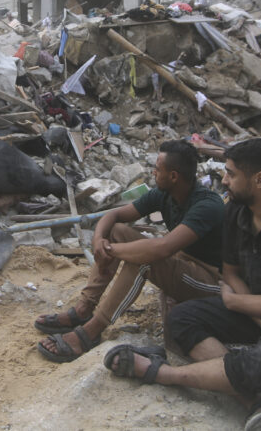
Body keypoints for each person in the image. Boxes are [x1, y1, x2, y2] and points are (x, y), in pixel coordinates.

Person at [102, 139, 261, 431]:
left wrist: (235, 302)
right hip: (258, 308)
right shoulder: (236, 211)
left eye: (231, 173)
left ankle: (159, 372)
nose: (224, 179)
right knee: (182, 318)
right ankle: (257, 402)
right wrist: (257, 315)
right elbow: (230, 273)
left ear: (260, 180)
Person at [35, 140, 225, 362]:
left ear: (174, 176)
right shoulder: (165, 194)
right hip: (182, 263)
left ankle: (90, 333)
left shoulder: (207, 205)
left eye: (157, 169)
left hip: (210, 280)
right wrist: (99, 240)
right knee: (116, 231)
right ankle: (84, 309)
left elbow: (163, 248)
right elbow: (114, 217)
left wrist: (112, 250)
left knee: (146, 259)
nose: (153, 173)